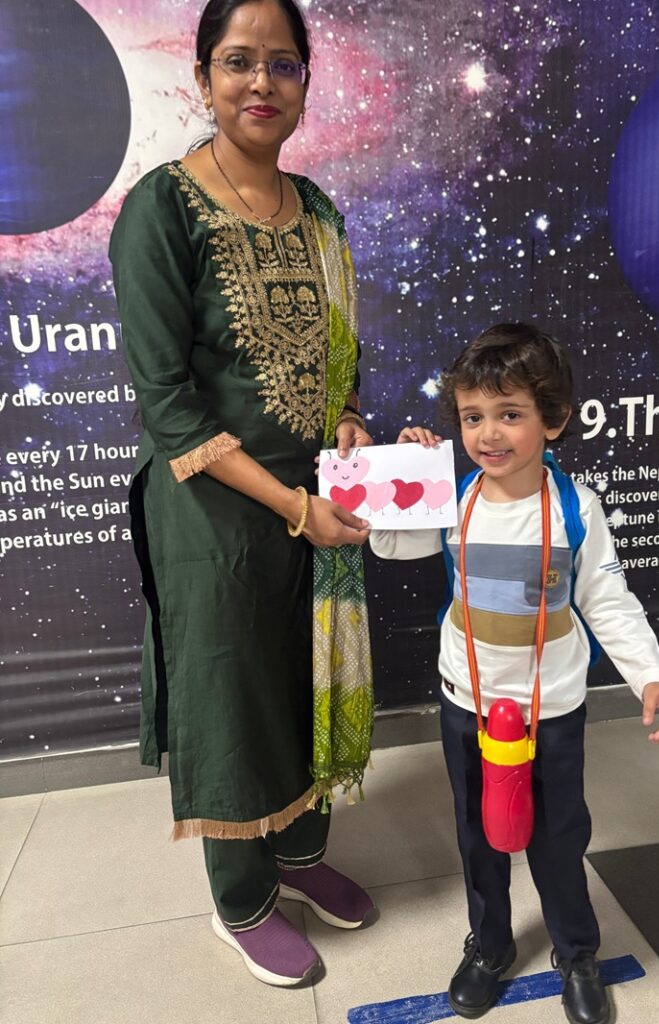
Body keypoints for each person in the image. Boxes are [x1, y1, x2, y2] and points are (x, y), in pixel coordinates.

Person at [109, 0, 376, 988]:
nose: (261, 82)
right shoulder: (163, 210)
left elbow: (339, 357)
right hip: (212, 507)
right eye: (238, 61)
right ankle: (242, 898)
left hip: (314, 502)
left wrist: (347, 421)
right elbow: (168, 405)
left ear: (305, 80)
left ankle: (299, 857)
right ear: (203, 77)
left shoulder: (320, 212)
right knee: (231, 691)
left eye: (283, 63)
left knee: (307, 678)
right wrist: (294, 506)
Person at [369, 322, 659, 1023]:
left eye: (510, 414)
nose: (488, 434)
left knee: (558, 837)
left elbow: (608, 599)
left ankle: (577, 953)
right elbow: (388, 543)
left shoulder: (575, 509)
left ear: (554, 419)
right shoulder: (455, 499)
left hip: (553, 711)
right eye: (472, 416)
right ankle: (489, 946)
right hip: (468, 703)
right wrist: (406, 470)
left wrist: (651, 676)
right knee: (477, 834)